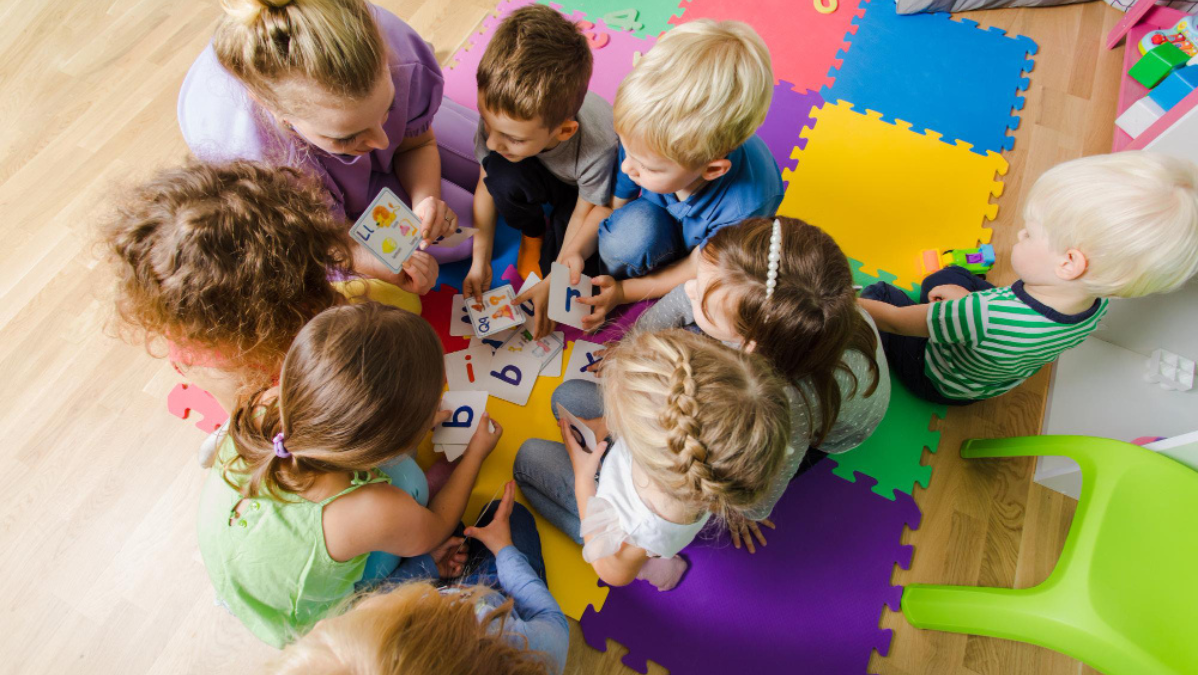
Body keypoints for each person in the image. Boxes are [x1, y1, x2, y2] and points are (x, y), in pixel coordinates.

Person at [197, 302, 504, 647]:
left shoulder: (267, 403)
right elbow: (437, 527)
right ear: (388, 442)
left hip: (237, 566)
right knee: (411, 484)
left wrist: (409, 418)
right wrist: (475, 454)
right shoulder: (372, 510)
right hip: (299, 621)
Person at [101, 160, 431, 470]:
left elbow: (322, 244)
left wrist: (365, 260)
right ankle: (242, 437)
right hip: (270, 384)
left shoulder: (278, 246)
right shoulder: (216, 355)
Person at [178, 0, 481, 290]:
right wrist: (365, 259)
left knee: (493, 166)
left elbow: (416, 144)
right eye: (347, 135)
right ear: (276, 111)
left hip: (354, 122)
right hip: (305, 189)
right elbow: (324, 241)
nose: (381, 141)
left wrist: (425, 199)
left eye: (388, 108)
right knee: (460, 240)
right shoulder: (255, 160)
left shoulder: (396, 51)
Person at [633, 217, 890, 551]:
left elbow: (774, 469)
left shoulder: (784, 401)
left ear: (749, 345)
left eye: (702, 298)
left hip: (825, 428)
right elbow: (683, 300)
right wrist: (638, 343)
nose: (689, 288)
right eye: (699, 272)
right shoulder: (788, 298)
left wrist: (749, 512)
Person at [859, 151, 1198, 404]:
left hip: (935, 378)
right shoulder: (1094, 305)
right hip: (984, 383)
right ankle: (951, 292)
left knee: (884, 294)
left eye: (1030, 234)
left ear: (1068, 263)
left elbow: (899, 322)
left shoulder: (983, 314)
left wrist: (839, 301)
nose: (1019, 235)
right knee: (953, 277)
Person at [514, 329, 790, 591]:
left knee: (526, 461)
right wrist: (606, 423)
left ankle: (648, 564)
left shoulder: (640, 527)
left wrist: (584, 478)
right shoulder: (717, 439)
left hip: (616, 522)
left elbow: (611, 573)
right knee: (565, 396)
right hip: (637, 474)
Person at [575, 20, 783, 335]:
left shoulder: (749, 204)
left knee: (718, 309)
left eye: (646, 167)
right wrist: (575, 256)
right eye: (626, 150)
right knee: (628, 235)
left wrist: (623, 293)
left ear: (711, 169)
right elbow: (614, 209)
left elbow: (698, 266)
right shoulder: (643, 140)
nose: (627, 167)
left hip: (709, 256)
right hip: (661, 226)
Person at [267, 481, 569, 675]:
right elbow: (550, 618)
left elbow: (385, 593)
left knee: (450, 526)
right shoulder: (513, 645)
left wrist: (426, 567)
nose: (320, 622)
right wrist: (504, 550)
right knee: (507, 515)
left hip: (448, 595)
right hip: (500, 602)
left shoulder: (377, 641)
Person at [466, 5, 618, 319]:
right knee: (500, 173)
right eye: (487, 124)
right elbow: (486, 182)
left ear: (564, 131)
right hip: (537, 169)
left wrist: (554, 280)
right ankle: (532, 233)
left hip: (579, 197)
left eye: (512, 138)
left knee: (576, 275)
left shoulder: (598, 145)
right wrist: (479, 260)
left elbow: (587, 211)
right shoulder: (501, 120)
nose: (492, 141)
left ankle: (547, 247)